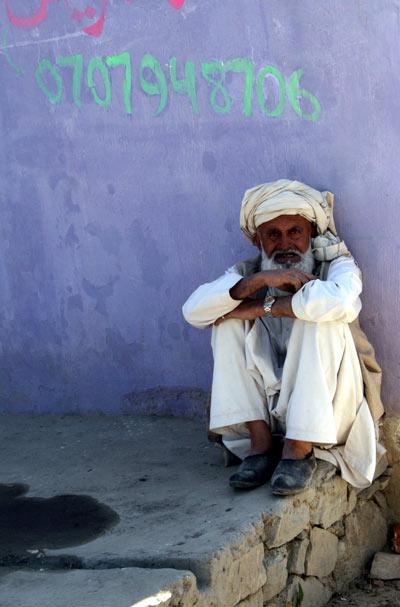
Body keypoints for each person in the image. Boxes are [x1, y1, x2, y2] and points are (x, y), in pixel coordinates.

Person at [182, 180, 386, 495]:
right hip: (272, 406)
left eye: (295, 232)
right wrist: (258, 282)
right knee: (226, 323)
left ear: (311, 234)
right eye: (273, 235)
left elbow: (341, 302)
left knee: (317, 316)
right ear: (257, 241)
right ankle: (260, 443)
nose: (285, 243)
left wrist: (267, 307)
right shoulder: (248, 272)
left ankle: (299, 447)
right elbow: (194, 311)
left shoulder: (338, 265)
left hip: (330, 411)